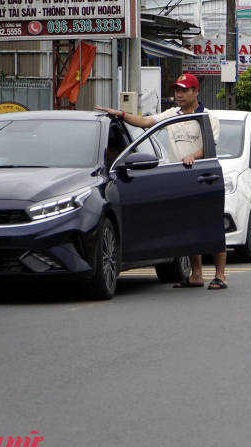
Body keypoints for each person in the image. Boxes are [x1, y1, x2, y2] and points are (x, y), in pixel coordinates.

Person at [96, 74, 228, 290]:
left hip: (203, 175)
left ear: (196, 92)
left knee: (211, 225)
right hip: (181, 176)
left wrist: (193, 156)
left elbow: (209, 147)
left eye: (184, 90)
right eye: (177, 90)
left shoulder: (207, 117)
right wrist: (120, 114)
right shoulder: (172, 114)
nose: (179, 94)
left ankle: (221, 275)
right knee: (189, 226)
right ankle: (196, 275)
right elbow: (146, 122)